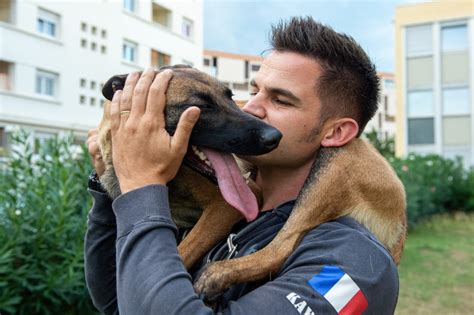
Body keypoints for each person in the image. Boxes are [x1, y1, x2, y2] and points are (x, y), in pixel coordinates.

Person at [85, 17, 398, 315]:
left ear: (335, 132)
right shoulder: (224, 204)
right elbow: (117, 301)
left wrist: (142, 186)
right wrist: (111, 183)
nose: (251, 109)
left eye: (281, 101)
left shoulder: (354, 265)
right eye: (253, 91)